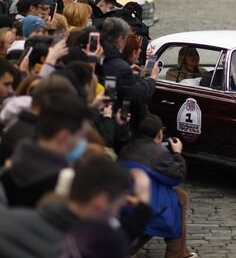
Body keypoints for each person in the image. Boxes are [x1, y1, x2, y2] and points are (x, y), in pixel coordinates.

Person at [0, 156, 152, 257]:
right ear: (101, 201)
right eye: (118, 207)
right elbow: (116, 242)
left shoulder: (8, 220)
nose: (116, 215)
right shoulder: (89, 247)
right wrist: (143, 205)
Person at [118, 113, 196, 258]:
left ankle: (130, 247)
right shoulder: (160, 153)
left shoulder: (126, 149)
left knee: (164, 201)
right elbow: (176, 177)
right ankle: (176, 253)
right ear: (160, 134)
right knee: (179, 198)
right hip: (147, 204)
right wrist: (177, 154)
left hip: (125, 202)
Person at [0, 87, 88, 207]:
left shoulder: (11, 166)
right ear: (64, 136)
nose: (83, 143)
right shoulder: (61, 186)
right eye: (81, 136)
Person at [101, 17, 158, 124]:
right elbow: (138, 95)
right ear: (119, 40)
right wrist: (152, 78)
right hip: (118, 119)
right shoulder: (120, 67)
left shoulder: (100, 55)